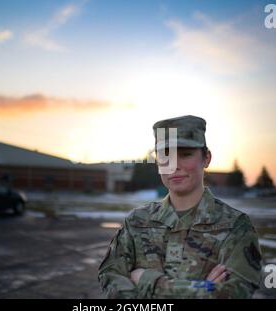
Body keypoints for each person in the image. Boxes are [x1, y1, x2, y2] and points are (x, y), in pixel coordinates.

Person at [98, 115, 263, 298]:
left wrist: (148, 281)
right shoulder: (137, 222)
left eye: (185, 155)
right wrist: (202, 289)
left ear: (206, 158)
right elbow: (111, 279)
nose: (174, 166)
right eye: (165, 156)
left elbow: (234, 293)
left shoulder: (235, 227)